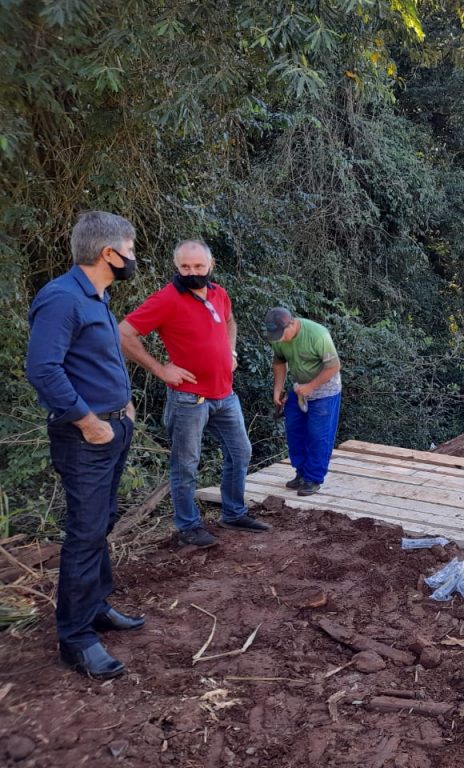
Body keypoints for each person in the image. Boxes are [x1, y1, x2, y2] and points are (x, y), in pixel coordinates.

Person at [26, 211, 143, 679]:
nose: (133, 258)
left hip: (113, 428)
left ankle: (95, 605)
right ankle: (75, 638)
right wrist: (88, 421)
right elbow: (44, 370)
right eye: (130, 250)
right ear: (107, 253)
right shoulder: (61, 298)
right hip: (86, 436)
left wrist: (125, 406)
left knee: (102, 521)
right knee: (85, 531)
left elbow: (100, 362)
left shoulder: (98, 296)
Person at [119, 240, 269, 548]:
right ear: (177, 267)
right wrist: (161, 370)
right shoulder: (167, 299)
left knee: (240, 452)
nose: (192, 272)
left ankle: (233, 513)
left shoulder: (218, 293)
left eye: (198, 266)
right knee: (186, 464)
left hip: (224, 394)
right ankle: (188, 526)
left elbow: (229, 321)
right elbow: (123, 333)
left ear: (210, 264)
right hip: (188, 398)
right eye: (185, 267)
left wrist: (231, 351)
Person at [264, 307, 342, 496]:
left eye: (281, 334)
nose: (279, 339)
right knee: (294, 431)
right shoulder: (278, 337)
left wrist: (311, 387)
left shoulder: (318, 334)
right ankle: (301, 473)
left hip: (325, 391)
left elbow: (334, 366)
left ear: (291, 323)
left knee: (318, 435)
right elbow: (279, 362)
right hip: (299, 389)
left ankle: (313, 478)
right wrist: (277, 390)